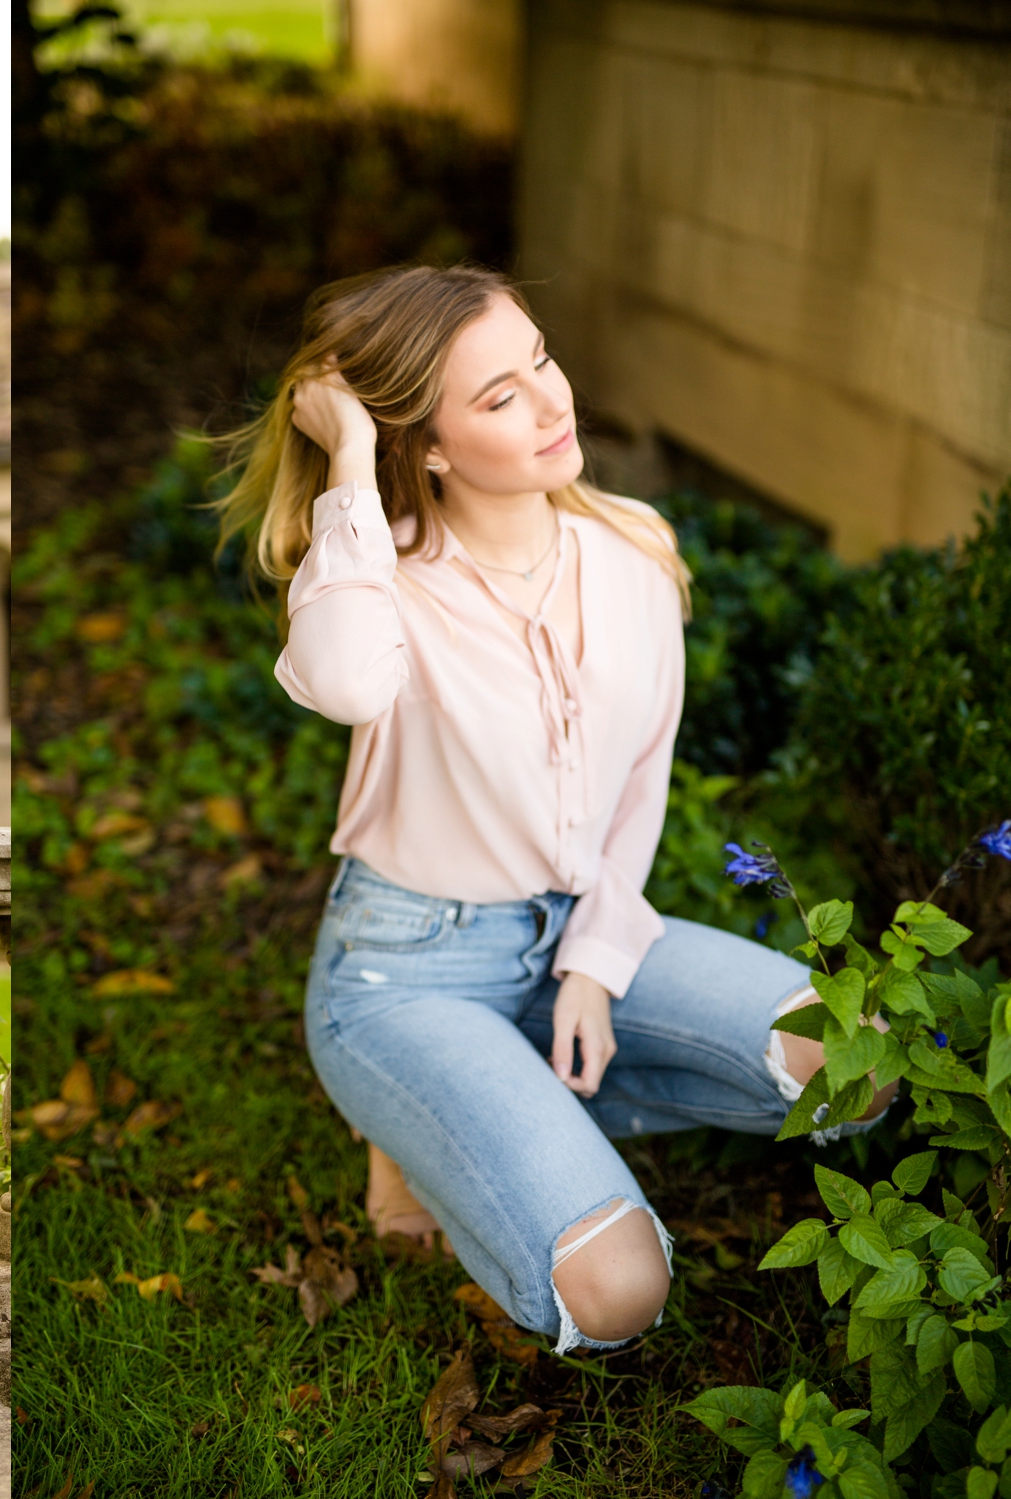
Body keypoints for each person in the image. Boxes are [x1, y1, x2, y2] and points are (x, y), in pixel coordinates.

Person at [216, 265, 894, 1355]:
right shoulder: (376, 581)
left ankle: (471, 1110)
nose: (550, 401)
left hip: (572, 926)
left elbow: (638, 789)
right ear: (425, 446)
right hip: (403, 974)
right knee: (615, 1291)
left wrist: (594, 961)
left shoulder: (629, 548)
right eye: (497, 397)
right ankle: (422, 1113)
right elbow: (343, 682)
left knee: (860, 1059)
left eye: (539, 359)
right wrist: (349, 451)